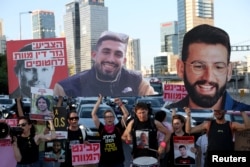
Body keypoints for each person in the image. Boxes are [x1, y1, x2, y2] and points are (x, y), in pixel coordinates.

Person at [166, 24, 250, 110]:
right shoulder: (165, 118)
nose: (209, 77)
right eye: (198, 66)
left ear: (229, 72)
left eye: (218, 67)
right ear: (181, 69)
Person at [53, 31, 155, 97]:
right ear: (94, 55)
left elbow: (156, 108)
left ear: (124, 61)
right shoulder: (66, 88)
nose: (111, 59)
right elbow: (55, 124)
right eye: (106, 52)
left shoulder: (137, 82)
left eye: (118, 54)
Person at [184, 107, 250, 166]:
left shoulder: (231, 125)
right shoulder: (208, 124)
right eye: (215, 111)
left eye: (219, 110)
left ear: (225, 111)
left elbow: (247, 126)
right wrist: (188, 115)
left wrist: (242, 110)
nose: (217, 112)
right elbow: (189, 130)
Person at [91, 94, 129, 167]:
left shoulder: (118, 127)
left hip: (118, 162)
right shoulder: (101, 128)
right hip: (104, 162)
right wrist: (99, 101)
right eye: (107, 117)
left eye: (111, 117)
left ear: (114, 118)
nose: (109, 118)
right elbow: (93, 114)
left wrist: (120, 103)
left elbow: (126, 114)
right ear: (104, 119)